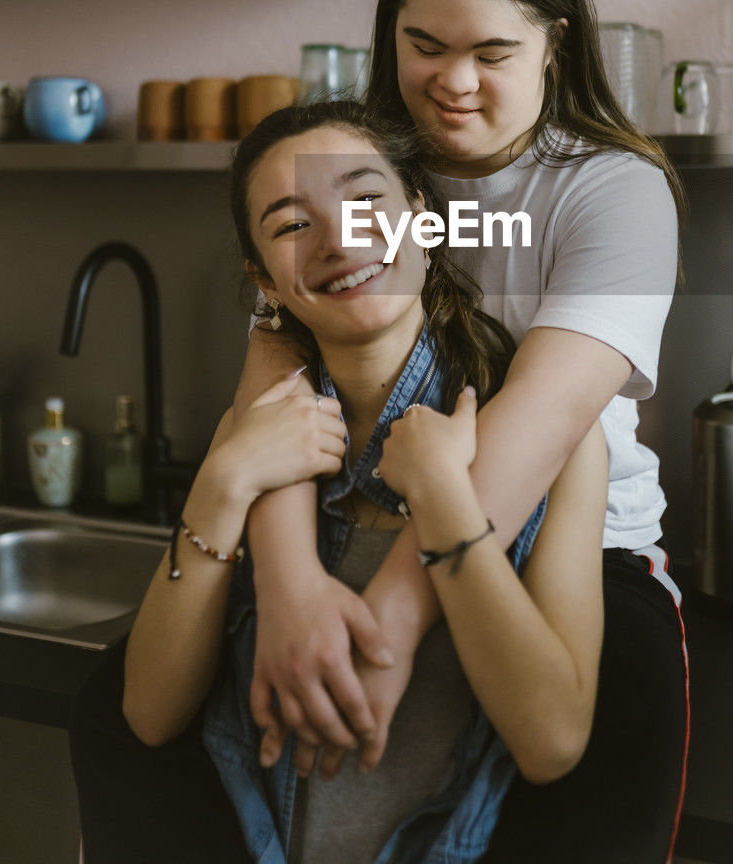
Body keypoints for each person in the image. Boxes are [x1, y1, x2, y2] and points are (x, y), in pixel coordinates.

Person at [237, 0, 689, 863]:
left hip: (581, 560)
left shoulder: (614, 190)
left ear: (553, 43)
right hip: (344, 530)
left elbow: (540, 420)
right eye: (424, 44)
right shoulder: (353, 166)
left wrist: (386, 631)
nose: (452, 81)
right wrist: (287, 584)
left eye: (491, 53)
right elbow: (273, 382)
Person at [120, 101, 608, 864]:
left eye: (365, 199)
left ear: (421, 216)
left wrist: (445, 500)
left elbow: (552, 740)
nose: (340, 238)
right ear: (264, 281)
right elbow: (149, 712)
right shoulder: (247, 440)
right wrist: (223, 483)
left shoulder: (552, 442)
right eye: (289, 224)